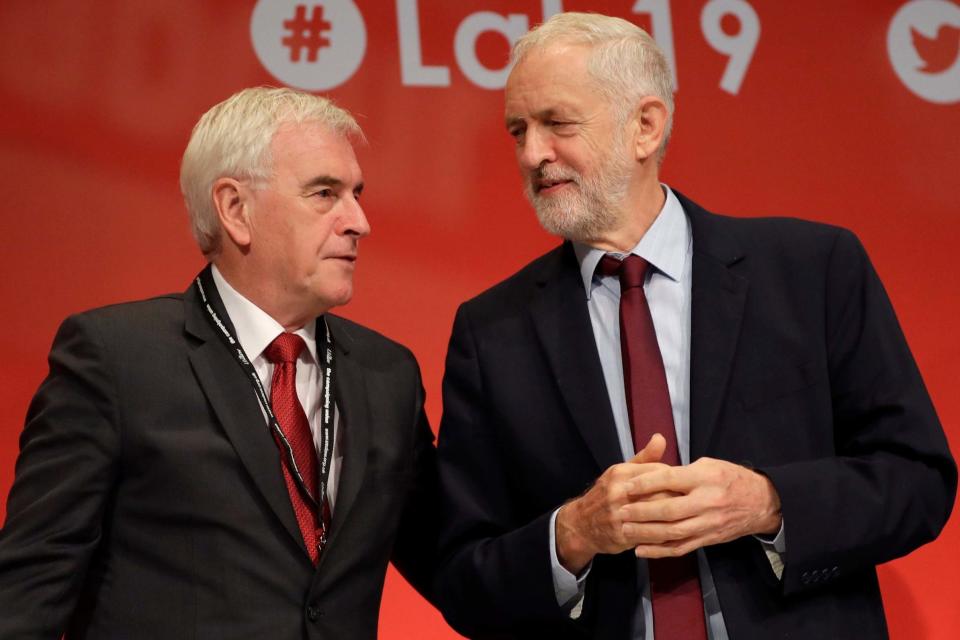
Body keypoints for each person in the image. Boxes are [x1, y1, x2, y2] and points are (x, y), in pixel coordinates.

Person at [434, 12, 956, 640]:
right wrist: (571, 535)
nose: (531, 154)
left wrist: (768, 503)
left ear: (645, 127)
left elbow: (917, 480)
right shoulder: (493, 331)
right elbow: (462, 576)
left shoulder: (811, 272)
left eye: (557, 124)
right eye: (518, 130)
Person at [0, 87, 437, 639]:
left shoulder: (387, 375)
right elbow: (27, 594)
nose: (359, 221)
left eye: (357, 193)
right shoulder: (117, 359)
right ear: (235, 209)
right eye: (325, 193)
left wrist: (569, 540)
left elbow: (453, 564)